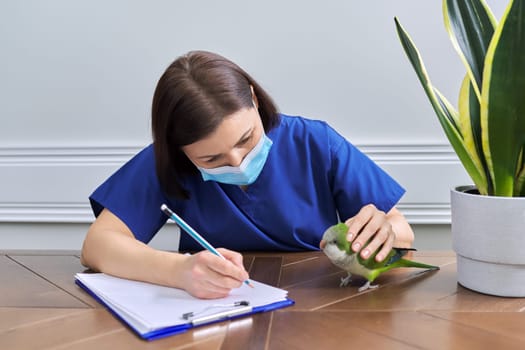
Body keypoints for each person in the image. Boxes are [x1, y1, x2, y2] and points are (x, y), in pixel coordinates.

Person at [80, 50, 414, 299]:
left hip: (323, 303)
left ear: (253, 98)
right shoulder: (165, 162)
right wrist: (179, 271)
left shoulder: (316, 142)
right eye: (211, 158)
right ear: (180, 149)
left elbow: (403, 233)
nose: (238, 162)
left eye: (246, 139)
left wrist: (385, 231)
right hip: (214, 310)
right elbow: (98, 245)